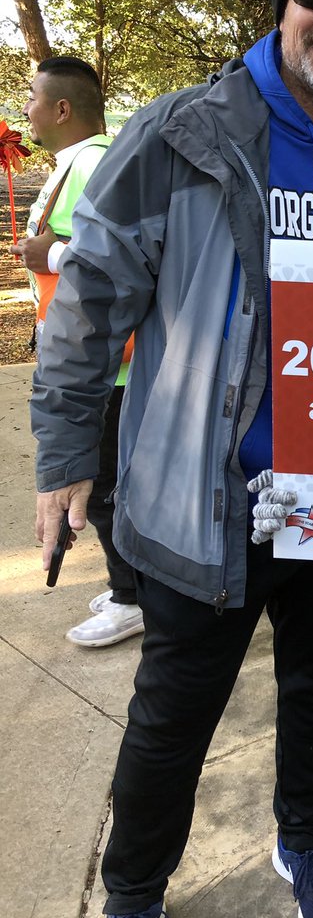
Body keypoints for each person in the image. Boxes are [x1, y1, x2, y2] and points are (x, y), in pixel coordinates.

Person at [30, 0, 313, 918]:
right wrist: (65, 453)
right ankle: (133, 897)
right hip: (205, 496)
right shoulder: (180, 135)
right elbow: (89, 299)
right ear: (284, 6)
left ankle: (304, 841)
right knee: (172, 717)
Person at [12, 57, 142, 647]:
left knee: (105, 488)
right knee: (106, 483)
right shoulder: (80, 163)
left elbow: (119, 253)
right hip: (88, 357)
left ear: (63, 109)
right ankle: (128, 584)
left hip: (107, 368)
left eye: (33, 98)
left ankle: (130, 596)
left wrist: (53, 254)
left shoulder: (93, 164)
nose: (26, 110)